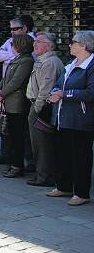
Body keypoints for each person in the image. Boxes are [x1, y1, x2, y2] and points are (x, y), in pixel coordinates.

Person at [47, 30, 94, 205]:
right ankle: (63, 186)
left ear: (84, 45)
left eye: (73, 42)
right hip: (63, 117)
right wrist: (54, 92)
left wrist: (64, 94)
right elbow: (59, 84)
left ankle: (81, 193)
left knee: (81, 156)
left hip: (82, 119)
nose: (70, 45)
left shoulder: (91, 65)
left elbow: (90, 93)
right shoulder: (71, 63)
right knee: (63, 153)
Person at [0, 16, 35, 166]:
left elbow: (16, 81)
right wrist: (0, 89)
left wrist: (2, 92)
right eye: (11, 29)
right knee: (8, 131)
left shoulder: (26, 57)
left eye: (16, 29)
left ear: (25, 29)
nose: (12, 32)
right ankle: (9, 158)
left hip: (17, 101)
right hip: (8, 99)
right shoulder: (15, 53)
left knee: (19, 134)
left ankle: (21, 164)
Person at [25, 32, 64, 187]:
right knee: (39, 143)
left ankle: (44, 176)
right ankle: (42, 174)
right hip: (37, 104)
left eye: (39, 42)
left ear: (48, 46)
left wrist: (37, 108)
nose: (35, 44)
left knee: (42, 144)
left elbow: (45, 90)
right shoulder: (42, 61)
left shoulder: (50, 63)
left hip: (41, 107)